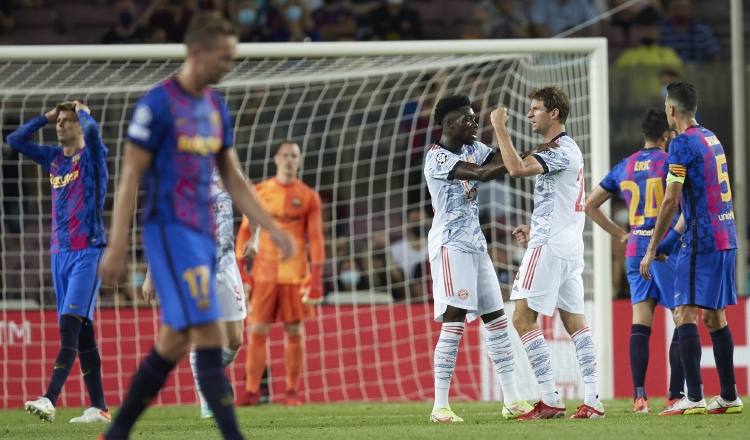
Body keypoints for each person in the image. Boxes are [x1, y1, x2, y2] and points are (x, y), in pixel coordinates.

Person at [97, 12, 294, 440]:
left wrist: (270, 228)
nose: (229, 66)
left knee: (172, 343)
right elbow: (130, 176)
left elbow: (235, 179)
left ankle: (116, 433)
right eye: (224, 57)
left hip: (208, 238)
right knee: (208, 334)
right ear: (196, 52)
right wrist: (118, 248)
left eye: (232, 58)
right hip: (170, 232)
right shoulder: (157, 105)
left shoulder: (215, 107)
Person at [424, 94, 554, 423]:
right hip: (450, 246)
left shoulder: (472, 148)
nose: (474, 123)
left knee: (496, 319)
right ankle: (440, 406)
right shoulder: (436, 159)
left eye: (476, 118)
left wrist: (526, 156)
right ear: (449, 124)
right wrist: (522, 150)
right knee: (454, 320)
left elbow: (502, 161)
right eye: (468, 119)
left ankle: (511, 399)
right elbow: (482, 174)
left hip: (476, 245)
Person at [490, 85, 604, 419]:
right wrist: (533, 224)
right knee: (575, 323)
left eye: (535, 108)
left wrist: (499, 126)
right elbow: (559, 199)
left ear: (554, 113)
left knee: (522, 317)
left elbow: (516, 169)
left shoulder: (561, 150)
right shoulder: (565, 150)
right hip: (566, 245)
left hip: (550, 245)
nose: (529, 114)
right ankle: (594, 400)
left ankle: (551, 398)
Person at [640, 82, 743, 416]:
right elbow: (697, 200)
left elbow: (671, 200)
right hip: (726, 237)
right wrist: (669, 243)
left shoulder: (681, 145)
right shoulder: (711, 139)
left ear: (671, 109)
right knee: (714, 316)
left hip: (702, 241)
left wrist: (652, 246)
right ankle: (728, 394)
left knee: (683, 312)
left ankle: (694, 396)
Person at [8, 101, 110, 423]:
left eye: (68, 120)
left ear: (80, 125)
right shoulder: (54, 159)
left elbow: (93, 133)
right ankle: (100, 408)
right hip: (58, 253)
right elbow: (15, 140)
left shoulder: (93, 155)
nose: (61, 124)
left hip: (87, 250)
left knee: (69, 324)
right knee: (83, 333)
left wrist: (84, 114)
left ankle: (50, 399)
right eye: (60, 121)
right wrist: (45, 117)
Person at [584, 107, 685, 413]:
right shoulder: (672, 162)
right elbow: (682, 204)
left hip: (635, 248)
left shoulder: (625, 166)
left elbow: (589, 204)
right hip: (665, 248)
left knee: (641, 322)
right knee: (682, 318)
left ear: (644, 135)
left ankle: (639, 397)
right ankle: (674, 395)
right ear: (665, 136)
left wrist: (620, 234)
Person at [139, 167, 248, 419]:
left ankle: (212, 376)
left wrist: (256, 238)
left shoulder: (225, 168)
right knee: (196, 338)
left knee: (235, 340)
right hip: (193, 266)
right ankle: (207, 401)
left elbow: (249, 201)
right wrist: (149, 275)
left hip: (226, 263)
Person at [234, 140, 325, 408]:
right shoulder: (259, 191)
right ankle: (252, 392)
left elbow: (316, 238)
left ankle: (292, 393)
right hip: (263, 273)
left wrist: (316, 277)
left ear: (299, 160)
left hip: (294, 275)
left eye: (293, 156)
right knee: (257, 331)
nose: (288, 160)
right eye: (284, 155)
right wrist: (242, 271)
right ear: (276, 159)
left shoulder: (308, 196)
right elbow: (244, 232)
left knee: (294, 330)